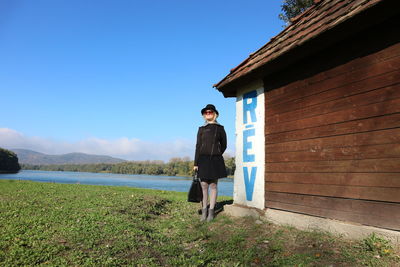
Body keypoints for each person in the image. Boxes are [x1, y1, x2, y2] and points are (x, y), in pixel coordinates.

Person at [193, 104, 227, 222]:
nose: (208, 114)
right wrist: (195, 163)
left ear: (214, 114)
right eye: (206, 112)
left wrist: (217, 153)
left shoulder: (220, 128)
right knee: (203, 185)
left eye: (210, 112)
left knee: (213, 185)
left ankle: (211, 212)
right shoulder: (201, 129)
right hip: (202, 160)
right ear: (204, 115)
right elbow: (198, 146)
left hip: (215, 160)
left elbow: (224, 145)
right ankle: (204, 210)